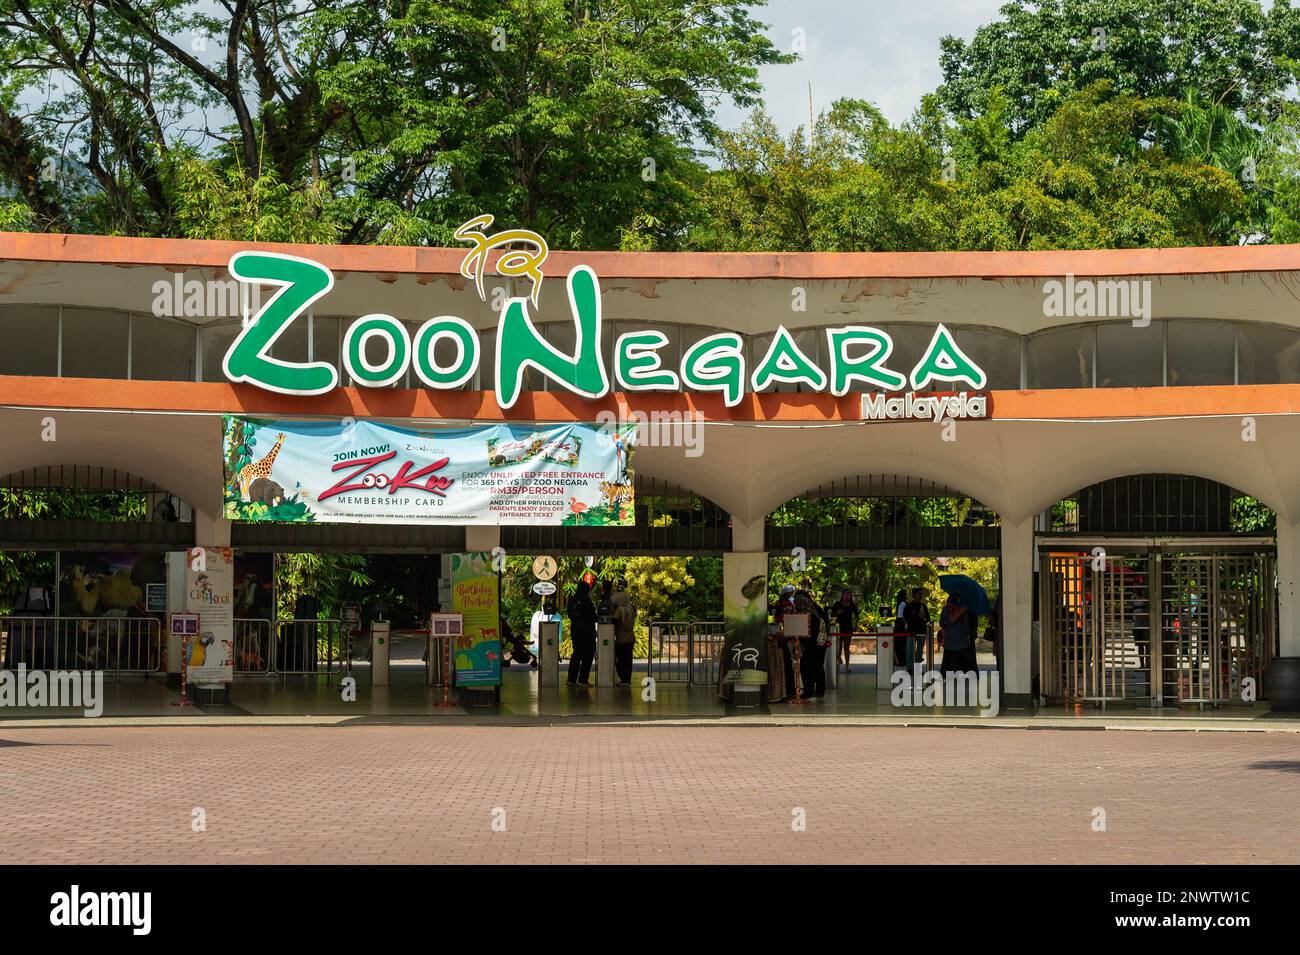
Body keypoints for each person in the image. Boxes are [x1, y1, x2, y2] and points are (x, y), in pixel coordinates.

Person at [794, 588, 830, 699]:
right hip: (819, 643)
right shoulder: (816, 608)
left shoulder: (806, 612)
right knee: (817, 667)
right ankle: (819, 691)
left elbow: (811, 628)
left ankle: (809, 691)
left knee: (808, 667)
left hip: (812, 644)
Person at [938, 594, 978, 679]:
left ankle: (947, 676)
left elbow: (941, 623)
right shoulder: (962, 609)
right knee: (963, 659)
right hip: (961, 640)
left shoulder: (945, 609)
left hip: (949, 640)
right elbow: (966, 624)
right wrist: (968, 635)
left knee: (948, 660)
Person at [566, 581, 598, 687]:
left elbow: (570, 613)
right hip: (587, 632)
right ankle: (583, 680)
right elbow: (593, 617)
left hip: (575, 630)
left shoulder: (572, 600)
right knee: (587, 656)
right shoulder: (586, 600)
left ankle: (571, 679)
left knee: (576, 654)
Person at [773, 583, 798, 699]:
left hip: (782, 636)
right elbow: (789, 620)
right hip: (787, 637)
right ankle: (790, 690)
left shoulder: (779, 603)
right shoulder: (787, 604)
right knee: (788, 663)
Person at [610, 585, 635, 685]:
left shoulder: (619, 610)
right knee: (628, 660)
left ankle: (623, 679)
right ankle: (627, 679)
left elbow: (614, 621)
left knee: (619, 659)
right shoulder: (631, 609)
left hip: (621, 638)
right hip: (631, 637)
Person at [832, 588, 858, 673]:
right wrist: (837, 613)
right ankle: (838, 663)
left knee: (846, 648)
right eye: (845, 594)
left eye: (848, 594)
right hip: (838, 628)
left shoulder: (852, 605)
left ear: (850, 596)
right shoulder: (837, 604)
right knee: (838, 648)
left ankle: (847, 667)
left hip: (848, 628)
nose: (846, 595)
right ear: (842, 595)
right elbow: (832, 614)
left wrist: (855, 626)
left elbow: (857, 617)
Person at [904, 587, 930, 669]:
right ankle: (909, 668)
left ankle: (917, 669)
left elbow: (928, 619)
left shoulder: (924, 606)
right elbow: (906, 618)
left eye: (922, 594)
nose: (921, 596)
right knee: (910, 650)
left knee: (919, 652)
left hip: (921, 632)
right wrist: (916, 616)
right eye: (920, 594)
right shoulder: (909, 606)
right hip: (911, 632)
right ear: (914, 595)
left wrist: (923, 617)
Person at [893, 589, 909, 666]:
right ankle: (902, 661)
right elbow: (903, 616)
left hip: (898, 624)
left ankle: (898, 661)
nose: (907, 595)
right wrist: (906, 625)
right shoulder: (903, 604)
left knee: (899, 643)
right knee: (903, 643)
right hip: (901, 624)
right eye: (906, 594)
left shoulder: (899, 604)